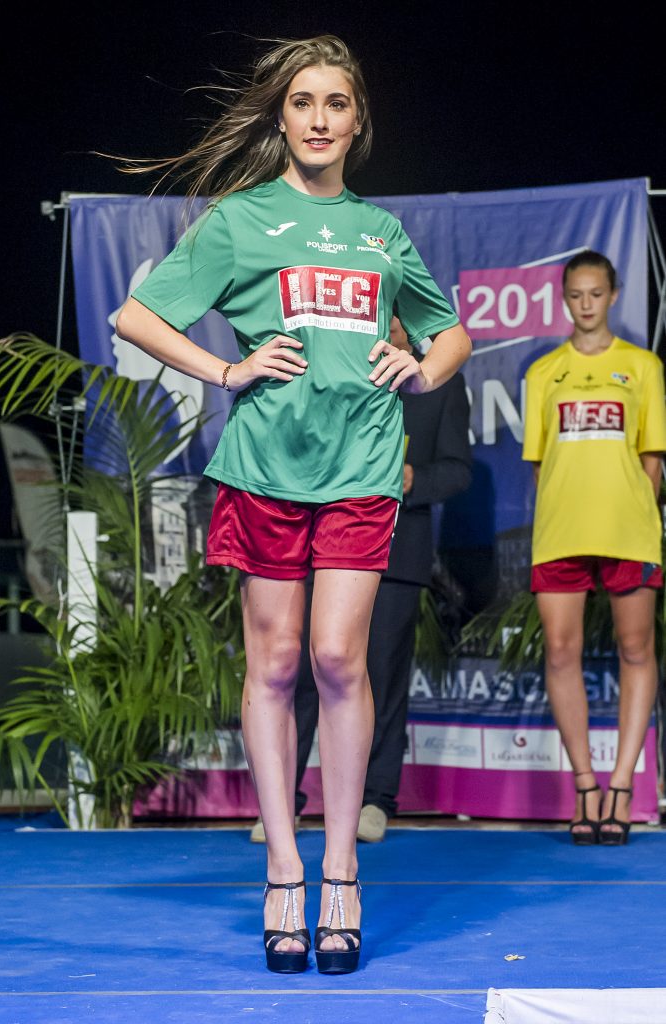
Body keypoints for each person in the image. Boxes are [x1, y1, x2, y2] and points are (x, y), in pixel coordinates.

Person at [115, 35, 471, 973]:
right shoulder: (240, 220)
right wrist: (225, 368)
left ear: (357, 123)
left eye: (335, 103)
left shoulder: (379, 232)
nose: (318, 119)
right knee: (273, 665)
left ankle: (341, 869)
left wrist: (420, 367)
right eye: (302, 102)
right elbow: (135, 316)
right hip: (265, 470)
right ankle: (282, 871)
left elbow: (449, 333)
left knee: (336, 657)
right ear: (281, 117)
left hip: (361, 467)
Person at [250, 316, 472, 844]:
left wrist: (414, 479)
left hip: (398, 552)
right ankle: (284, 801)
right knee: (306, 669)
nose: (388, 326)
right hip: (324, 541)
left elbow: (458, 469)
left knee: (381, 674)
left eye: (397, 317)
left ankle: (377, 799)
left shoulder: (438, 379)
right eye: (379, 314)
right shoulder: (334, 362)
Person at [522, 250, 666, 846]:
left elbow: (652, 460)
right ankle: (586, 785)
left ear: (613, 295)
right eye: (576, 294)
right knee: (561, 653)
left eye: (596, 293)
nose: (586, 304)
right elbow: (539, 463)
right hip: (560, 531)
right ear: (565, 298)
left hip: (629, 531)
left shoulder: (643, 366)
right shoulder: (542, 372)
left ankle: (622, 785)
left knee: (636, 649)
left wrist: (636, 518)